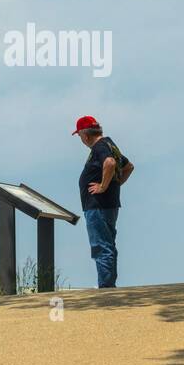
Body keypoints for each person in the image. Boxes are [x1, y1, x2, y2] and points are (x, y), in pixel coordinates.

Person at [72, 115, 133, 288]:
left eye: (79, 136)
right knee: (108, 245)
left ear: (85, 135)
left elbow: (110, 163)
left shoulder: (100, 146)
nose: (81, 140)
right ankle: (108, 286)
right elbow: (128, 167)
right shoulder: (110, 145)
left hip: (98, 206)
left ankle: (106, 288)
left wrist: (103, 186)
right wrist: (115, 183)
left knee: (101, 247)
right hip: (108, 205)